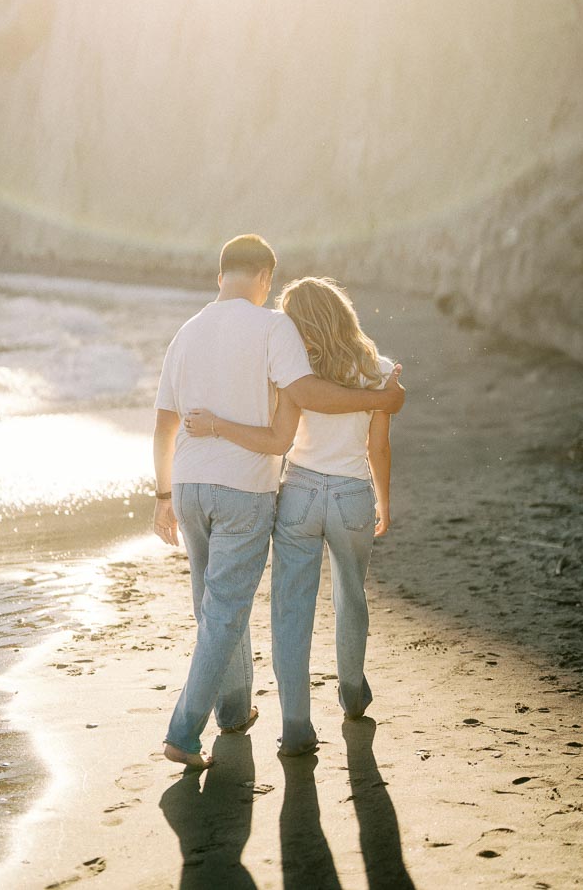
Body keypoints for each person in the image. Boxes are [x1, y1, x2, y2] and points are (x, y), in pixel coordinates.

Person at [153, 237, 405, 768]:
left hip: (245, 489)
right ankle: (347, 691)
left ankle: (266, 718)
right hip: (303, 491)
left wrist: (170, 483)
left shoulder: (222, 342)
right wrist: (381, 413)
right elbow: (350, 432)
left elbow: (263, 436)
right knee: (321, 601)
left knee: (254, 609)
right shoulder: (333, 351)